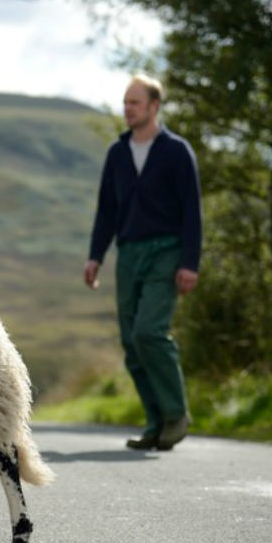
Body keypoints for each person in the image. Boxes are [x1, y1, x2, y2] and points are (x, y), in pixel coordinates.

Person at [84, 73, 202, 451]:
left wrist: (189, 262)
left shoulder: (176, 151)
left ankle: (176, 414)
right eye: (125, 102)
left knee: (149, 332)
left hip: (166, 251)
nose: (127, 109)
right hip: (129, 253)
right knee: (130, 342)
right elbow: (107, 210)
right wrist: (95, 256)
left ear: (154, 106)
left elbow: (191, 212)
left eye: (135, 102)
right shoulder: (117, 153)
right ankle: (155, 423)